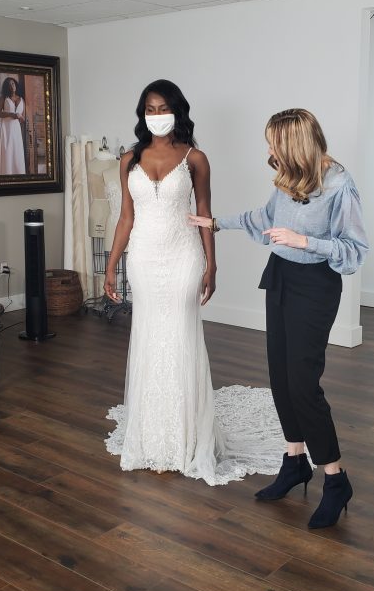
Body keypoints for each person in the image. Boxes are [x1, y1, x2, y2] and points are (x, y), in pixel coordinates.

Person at [190, 109, 368, 528]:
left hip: (317, 285)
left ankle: (335, 478)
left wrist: (305, 240)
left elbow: (354, 250)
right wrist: (216, 224)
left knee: (304, 384)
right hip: (281, 277)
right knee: (280, 377)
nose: (269, 150)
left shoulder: (339, 185)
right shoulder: (290, 178)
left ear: (293, 145)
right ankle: (294, 463)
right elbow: (265, 220)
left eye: (274, 143)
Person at [104, 80, 286, 485]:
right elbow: (126, 218)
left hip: (184, 256)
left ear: (177, 111)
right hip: (144, 259)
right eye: (150, 109)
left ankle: (186, 438)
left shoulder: (195, 158)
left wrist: (211, 265)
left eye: (163, 107)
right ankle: (152, 436)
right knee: (150, 338)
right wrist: (111, 264)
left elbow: (205, 212)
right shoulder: (129, 159)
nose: (157, 115)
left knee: (181, 337)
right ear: (142, 114)